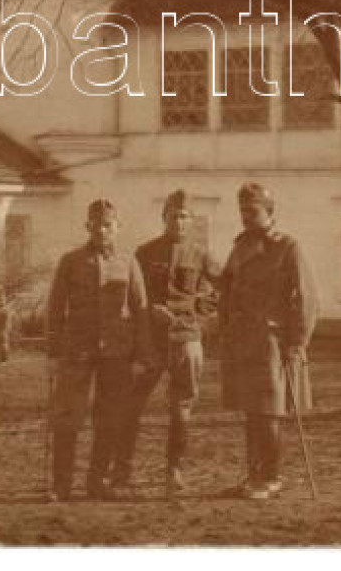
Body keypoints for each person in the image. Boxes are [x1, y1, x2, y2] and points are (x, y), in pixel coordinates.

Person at [44, 199, 153, 501]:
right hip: (77, 350)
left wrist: (142, 356)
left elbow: (141, 310)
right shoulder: (71, 261)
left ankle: (97, 481)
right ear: (87, 226)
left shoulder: (129, 263)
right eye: (95, 225)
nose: (101, 231)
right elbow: (55, 308)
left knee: (109, 417)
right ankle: (61, 484)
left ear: (117, 228)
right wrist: (53, 353)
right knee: (67, 416)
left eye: (108, 225)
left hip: (116, 352)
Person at [112, 189, 218, 497]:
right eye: (174, 216)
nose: (179, 222)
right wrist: (149, 313)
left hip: (187, 340)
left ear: (192, 220)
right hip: (150, 342)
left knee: (181, 407)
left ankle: (175, 472)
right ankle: (123, 472)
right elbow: (132, 297)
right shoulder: (145, 253)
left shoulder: (202, 255)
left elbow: (216, 296)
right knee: (131, 404)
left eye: (185, 217)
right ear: (164, 218)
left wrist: (193, 312)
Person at [217, 181, 318, 500]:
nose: (246, 216)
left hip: (272, 342)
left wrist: (297, 342)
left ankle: (272, 478)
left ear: (270, 212)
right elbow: (228, 290)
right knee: (251, 409)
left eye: (253, 210)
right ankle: (254, 475)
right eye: (242, 210)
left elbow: (307, 298)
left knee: (269, 410)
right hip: (242, 341)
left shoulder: (287, 247)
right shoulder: (239, 246)